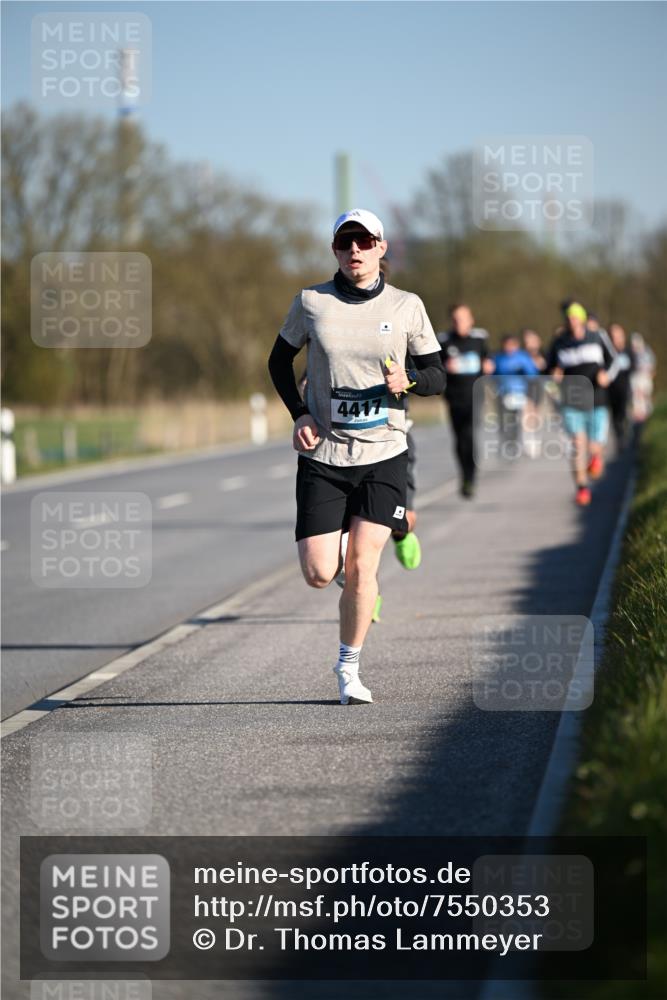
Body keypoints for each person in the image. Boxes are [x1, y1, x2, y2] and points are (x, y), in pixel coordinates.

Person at [268, 208, 444, 705]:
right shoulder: (312, 302)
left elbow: (437, 376)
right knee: (320, 573)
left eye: (365, 242)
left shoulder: (408, 306)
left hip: (383, 452)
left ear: (381, 248)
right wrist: (300, 414)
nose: (355, 252)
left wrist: (407, 380)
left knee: (365, 566)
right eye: (346, 243)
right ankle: (348, 553)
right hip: (324, 454)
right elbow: (279, 362)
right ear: (335, 251)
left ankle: (349, 669)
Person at [546, 302, 615, 506]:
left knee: (594, 447)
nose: (572, 321)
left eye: (575, 317)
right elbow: (549, 369)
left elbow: (614, 360)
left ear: (582, 319)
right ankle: (582, 489)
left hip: (597, 399)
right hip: (571, 401)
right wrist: (553, 375)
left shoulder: (598, 336)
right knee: (577, 445)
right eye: (568, 318)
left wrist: (606, 375)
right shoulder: (559, 342)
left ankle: (595, 459)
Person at [437, 304, 494, 498]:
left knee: (469, 436)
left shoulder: (479, 340)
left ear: (471, 320)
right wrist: (445, 367)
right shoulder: (445, 342)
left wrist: (488, 365)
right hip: (454, 398)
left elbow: (488, 359)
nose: (459, 323)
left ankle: (471, 476)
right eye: (455, 319)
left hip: (474, 397)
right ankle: (465, 474)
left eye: (463, 318)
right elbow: (434, 369)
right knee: (459, 439)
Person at [492, 334, 540, 459]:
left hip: (521, 394)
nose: (509, 348)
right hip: (504, 395)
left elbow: (533, 376)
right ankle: (510, 445)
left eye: (511, 345)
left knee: (525, 421)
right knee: (507, 422)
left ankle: (529, 443)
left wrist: (531, 396)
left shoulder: (523, 358)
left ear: (516, 345)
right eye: (506, 345)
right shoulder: (498, 358)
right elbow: (493, 376)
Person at [606, 323, 635, 449]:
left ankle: (628, 436)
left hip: (626, 389)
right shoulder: (608, 352)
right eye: (613, 336)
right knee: (615, 417)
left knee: (624, 414)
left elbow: (633, 368)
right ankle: (620, 439)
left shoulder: (628, 351)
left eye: (618, 335)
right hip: (611, 391)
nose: (616, 338)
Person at [629, 332, 656, 423]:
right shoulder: (631, 353)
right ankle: (637, 415)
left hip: (645, 377)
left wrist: (649, 374)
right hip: (636, 378)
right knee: (636, 397)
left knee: (645, 396)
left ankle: (646, 415)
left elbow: (652, 366)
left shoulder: (647, 351)